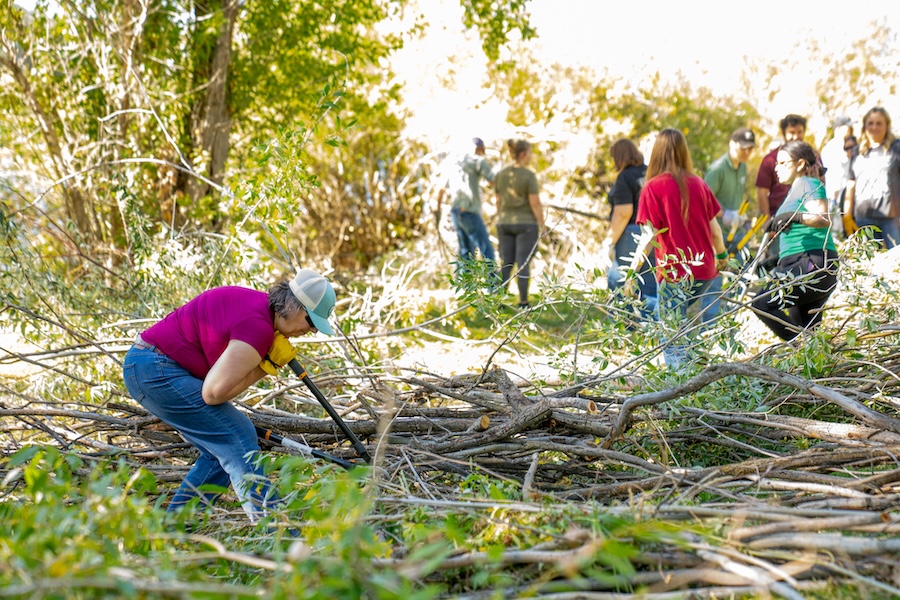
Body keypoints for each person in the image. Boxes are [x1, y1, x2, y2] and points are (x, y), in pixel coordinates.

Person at [122, 269, 337, 521]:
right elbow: (213, 394)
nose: (311, 331)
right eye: (311, 322)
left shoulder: (256, 307)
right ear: (295, 307)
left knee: (219, 452)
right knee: (239, 437)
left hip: (146, 365)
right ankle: (278, 533)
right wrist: (267, 364)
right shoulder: (258, 327)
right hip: (156, 371)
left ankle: (175, 531)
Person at [633, 129, 727, 368]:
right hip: (704, 270)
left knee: (672, 333)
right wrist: (723, 256)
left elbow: (649, 237)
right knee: (684, 325)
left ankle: (679, 387)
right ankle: (697, 375)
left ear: (656, 153)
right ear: (684, 151)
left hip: (675, 272)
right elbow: (715, 230)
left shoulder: (652, 188)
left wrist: (631, 272)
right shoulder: (699, 184)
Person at [751, 141, 838, 340]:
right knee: (809, 336)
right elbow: (801, 234)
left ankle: (799, 345)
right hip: (802, 261)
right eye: (776, 164)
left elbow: (823, 218)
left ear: (800, 164)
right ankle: (810, 357)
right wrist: (777, 260)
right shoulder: (796, 189)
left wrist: (793, 216)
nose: (776, 168)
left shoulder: (809, 183)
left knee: (761, 303)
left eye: (783, 163)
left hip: (812, 263)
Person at [700, 126, 756, 322]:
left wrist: (740, 217)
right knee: (714, 280)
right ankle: (710, 327)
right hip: (717, 232)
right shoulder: (717, 169)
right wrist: (725, 215)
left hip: (737, 231)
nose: (747, 153)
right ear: (732, 144)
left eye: (750, 149)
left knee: (742, 273)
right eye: (743, 148)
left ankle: (732, 320)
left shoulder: (741, 166)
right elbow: (703, 202)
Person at [600, 138, 657, 315]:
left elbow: (623, 212)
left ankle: (621, 326)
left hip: (631, 233)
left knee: (619, 280)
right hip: (653, 232)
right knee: (647, 282)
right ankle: (650, 329)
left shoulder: (625, 177)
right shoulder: (650, 173)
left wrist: (609, 242)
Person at [495, 139, 545, 309]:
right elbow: (535, 203)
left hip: (505, 223)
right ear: (523, 154)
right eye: (530, 153)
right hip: (526, 224)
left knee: (506, 263)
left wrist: (501, 218)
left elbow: (498, 201)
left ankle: (498, 301)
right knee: (522, 262)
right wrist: (542, 225)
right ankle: (523, 302)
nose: (531, 156)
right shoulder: (529, 175)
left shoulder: (502, 175)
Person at [437, 137, 498, 270]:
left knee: (466, 253)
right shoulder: (477, 161)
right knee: (486, 249)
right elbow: (493, 181)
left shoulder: (454, 164)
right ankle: (493, 287)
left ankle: (465, 287)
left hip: (456, 212)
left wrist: (438, 210)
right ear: (480, 149)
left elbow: (441, 189)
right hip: (469, 211)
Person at [844, 107, 900, 249]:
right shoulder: (857, 152)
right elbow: (851, 183)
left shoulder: (896, 148)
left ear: (886, 126)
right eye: (871, 123)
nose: (874, 127)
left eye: (879, 123)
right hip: (864, 216)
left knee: (896, 258)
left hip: (891, 216)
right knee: (868, 262)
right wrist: (847, 215)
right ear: (865, 126)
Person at [756, 114, 809, 218]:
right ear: (784, 133)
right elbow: (762, 192)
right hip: (777, 217)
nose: (796, 136)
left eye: (799, 132)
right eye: (792, 132)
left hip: (806, 217)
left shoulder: (813, 157)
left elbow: (821, 184)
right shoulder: (771, 159)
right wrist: (767, 222)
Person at [820, 115, 855, 227]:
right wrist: (834, 200)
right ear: (838, 129)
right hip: (835, 197)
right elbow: (834, 175)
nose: (850, 130)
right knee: (837, 230)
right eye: (847, 128)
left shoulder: (846, 145)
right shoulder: (832, 148)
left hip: (847, 195)